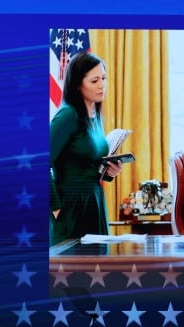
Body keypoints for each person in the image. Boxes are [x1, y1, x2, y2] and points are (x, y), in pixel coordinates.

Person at [50, 52, 125, 246]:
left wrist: (109, 172)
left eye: (104, 78)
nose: (102, 85)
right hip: (71, 208)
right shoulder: (68, 116)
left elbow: (87, 162)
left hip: (95, 202)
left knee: (99, 270)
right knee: (73, 272)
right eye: (94, 81)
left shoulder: (95, 116)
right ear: (77, 84)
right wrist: (55, 206)